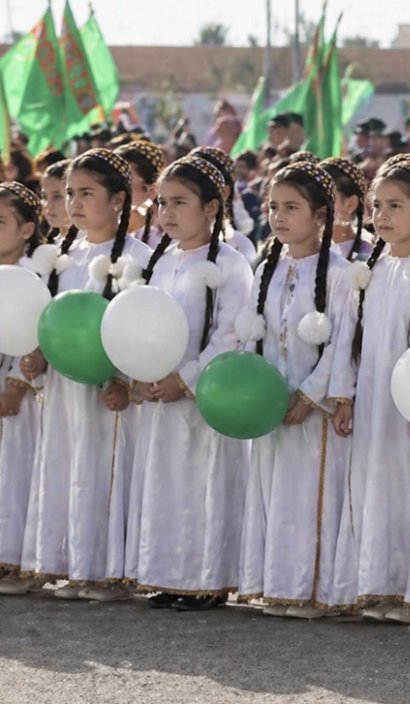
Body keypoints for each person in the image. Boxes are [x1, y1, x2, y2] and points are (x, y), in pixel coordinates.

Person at [18, 150, 153, 602]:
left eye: (87, 193)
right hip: (61, 389)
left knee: (107, 466)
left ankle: (107, 569)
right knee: (66, 464)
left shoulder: (139, 258)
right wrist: (37, 354)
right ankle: (70, 563)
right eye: (69, 193)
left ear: (118, 199)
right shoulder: (59, 257)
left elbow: (144, 331)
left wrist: (121, 379)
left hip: (111, 393)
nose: (74, 203)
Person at [328, 155, 410, 625]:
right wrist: (344, 396)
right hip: (372, 404)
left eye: (394, 206)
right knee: (372, 487)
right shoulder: (364, 273)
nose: (381, 216)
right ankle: (374, 583)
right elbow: (347, 342)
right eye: (376, 206)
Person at [128, 155, 253, 611]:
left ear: (212, 207)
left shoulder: (232, 265)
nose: (167, 212)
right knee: (165, 482)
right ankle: (167, 574)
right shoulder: (162, 263)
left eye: (180, 202)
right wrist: (144, 374)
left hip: (205, 397)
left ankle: (206, 579)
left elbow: (231, 332)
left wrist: (186, 378)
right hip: (162, 395)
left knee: (204, 482)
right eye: (162, 202)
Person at [236, 161, 356, 619]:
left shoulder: (342, 274)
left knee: (311, 494)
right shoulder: (268, 267)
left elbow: (343, 342)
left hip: (312, 412)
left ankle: (313, 591)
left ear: (321, 215)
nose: (279, 216)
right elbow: (252, 334)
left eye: (291, 207)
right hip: (271, 405)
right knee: (274, 493)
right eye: (273, 207)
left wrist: (310, 396)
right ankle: (278, 584)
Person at [0, 182, 51, 595]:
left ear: (27, 229)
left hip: (23, 393)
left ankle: (15, 560)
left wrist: (16, 385)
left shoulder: (38, 277)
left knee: (16, 473)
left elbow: (37, 335)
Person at [320, 157, 373, 261]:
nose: (314, 205)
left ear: (350, 204)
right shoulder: (301, 250)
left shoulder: (367, 256)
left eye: (324, 198)